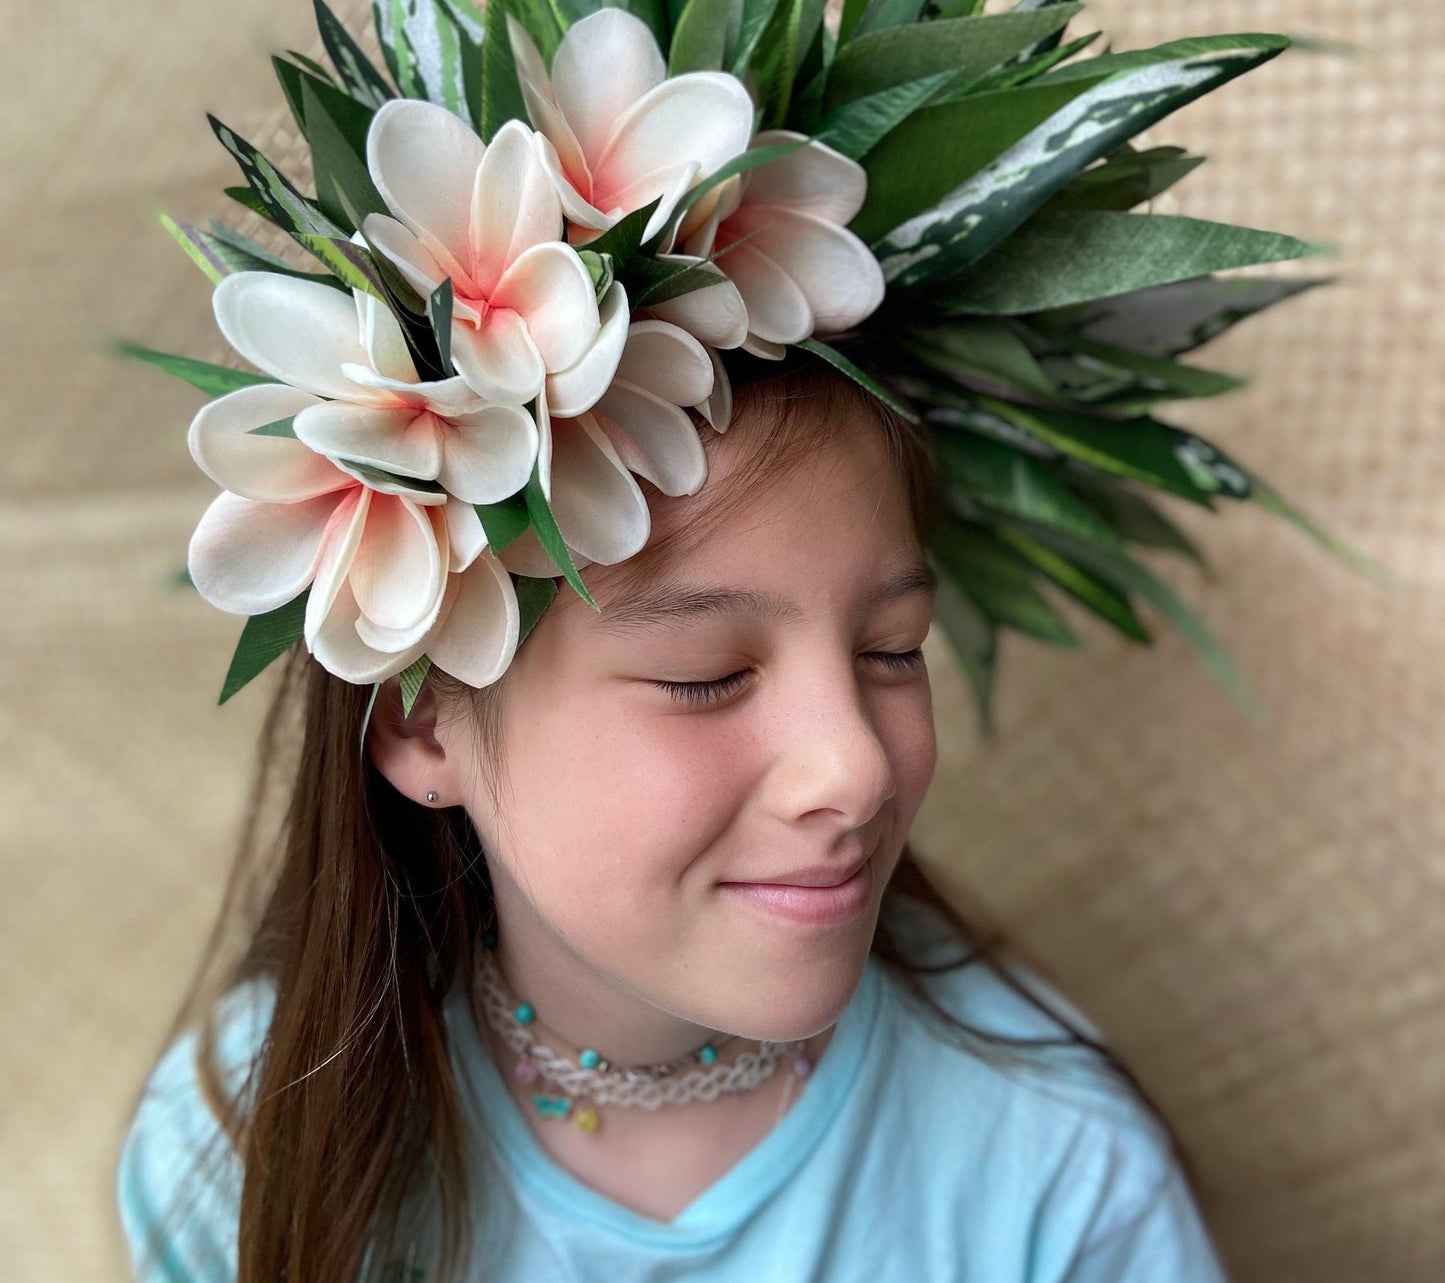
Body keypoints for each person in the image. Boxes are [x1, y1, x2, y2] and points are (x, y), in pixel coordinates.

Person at [116, 350, 1233, 1282]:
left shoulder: (1055, 1170)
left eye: (891, 652)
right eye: (705, 675)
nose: (852, 766)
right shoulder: (245, 1145)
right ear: (421, 724)